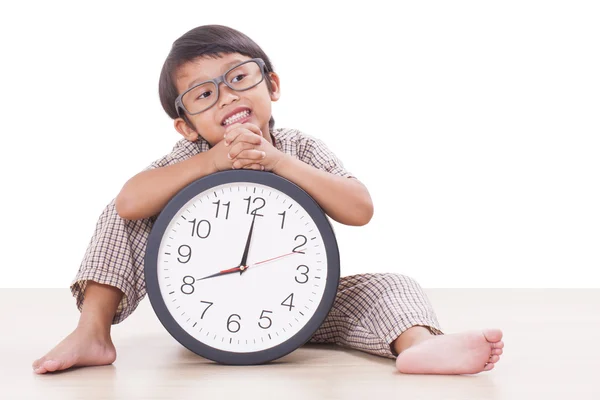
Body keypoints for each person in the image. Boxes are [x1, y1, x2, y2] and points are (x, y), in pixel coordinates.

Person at [32, 24, 503, 375]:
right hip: (202, 316)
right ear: (187, 125)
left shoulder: (299, 147)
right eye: (202, 94)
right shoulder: (190, 155)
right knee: (122, 212)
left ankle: (417, 345)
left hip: (303, 308)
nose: (225, 96)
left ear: (272, 85)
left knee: (389, 285)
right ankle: (92, 333)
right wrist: (211, 163)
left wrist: (280, 163)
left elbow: (359, 208)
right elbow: (131, 200)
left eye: (238, 77)